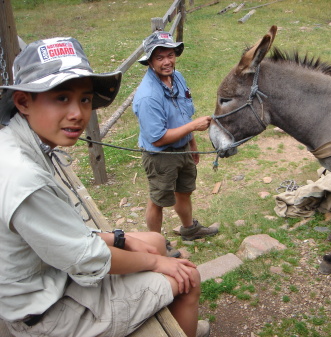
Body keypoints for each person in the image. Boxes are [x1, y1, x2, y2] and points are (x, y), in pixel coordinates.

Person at [0, 37, 209, 337]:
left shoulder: (20, 146)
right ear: (23, 102)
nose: (78, 113)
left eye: (85, 99)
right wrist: (156, 262)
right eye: (61, 98)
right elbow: (87, 258)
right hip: (48, 313)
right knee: (188, 275)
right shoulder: (23, 177)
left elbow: (60, 234)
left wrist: (120, 237)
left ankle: (179, 321)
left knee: (156, 241)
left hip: (53, 275)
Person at [133, 31, 218, 258]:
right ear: (149, 62)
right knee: (158, 200)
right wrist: (192, 128)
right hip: (160, 156)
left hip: (182, 149)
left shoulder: (177, 77)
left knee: (184, 192)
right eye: (159, 58)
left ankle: (189, 229)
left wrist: (191, 143)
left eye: (170, 55)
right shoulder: (148, 96)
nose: (167, 62)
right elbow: (157, 138)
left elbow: (184, 113)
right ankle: (156, 245)